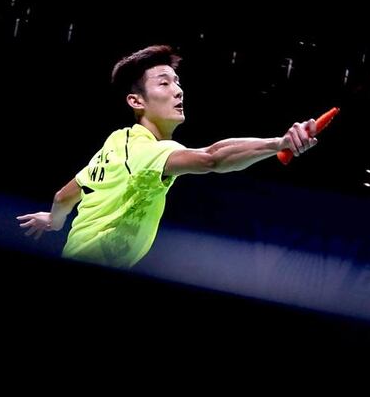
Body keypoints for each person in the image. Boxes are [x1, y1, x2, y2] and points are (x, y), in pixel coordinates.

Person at [16, 44, 318, 268]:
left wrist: (54, 222)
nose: (178, 91)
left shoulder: (118, 142)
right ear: (136, 100)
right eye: (164, 82)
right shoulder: (148, 153)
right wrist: (278, 144)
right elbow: (212, 158)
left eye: (177, 81)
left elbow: (61, 197)